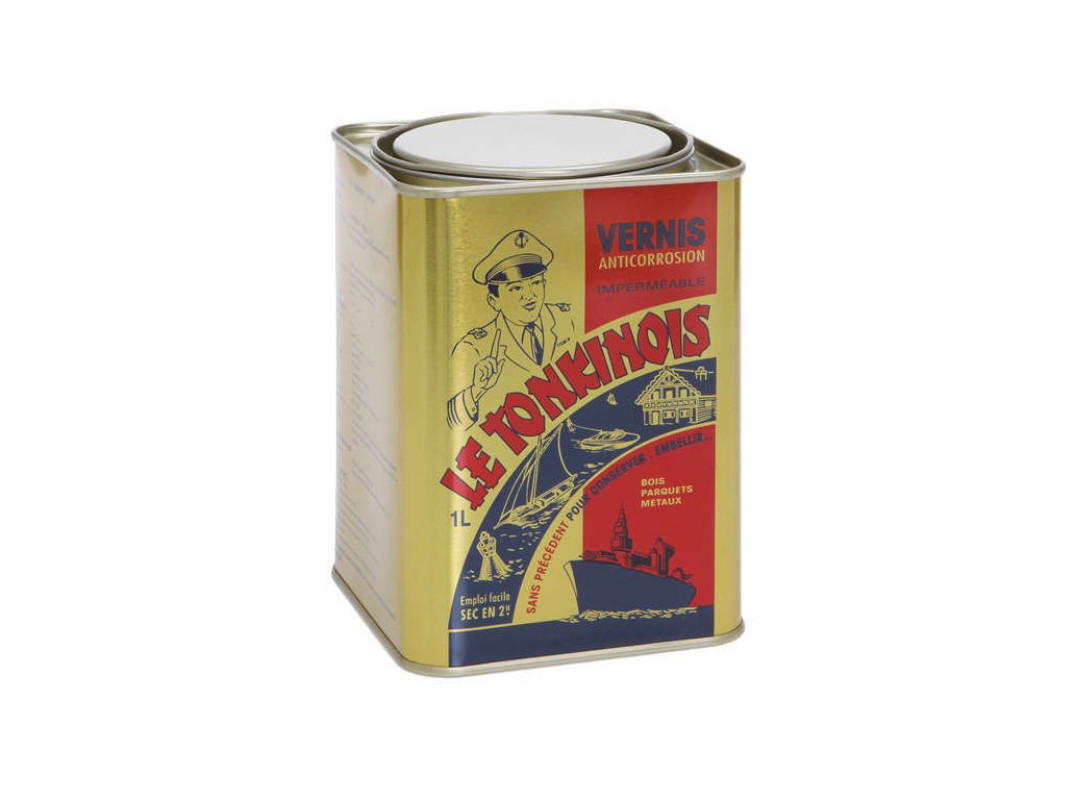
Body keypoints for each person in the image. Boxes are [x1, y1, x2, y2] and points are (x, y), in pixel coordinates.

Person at [446, 229, 575, 429]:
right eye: (516, 288)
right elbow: (450, 423)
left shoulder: (568, 319)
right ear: (493, 300)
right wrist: (475, 391)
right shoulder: (474, 347)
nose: (530, 296)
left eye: (535, 283)